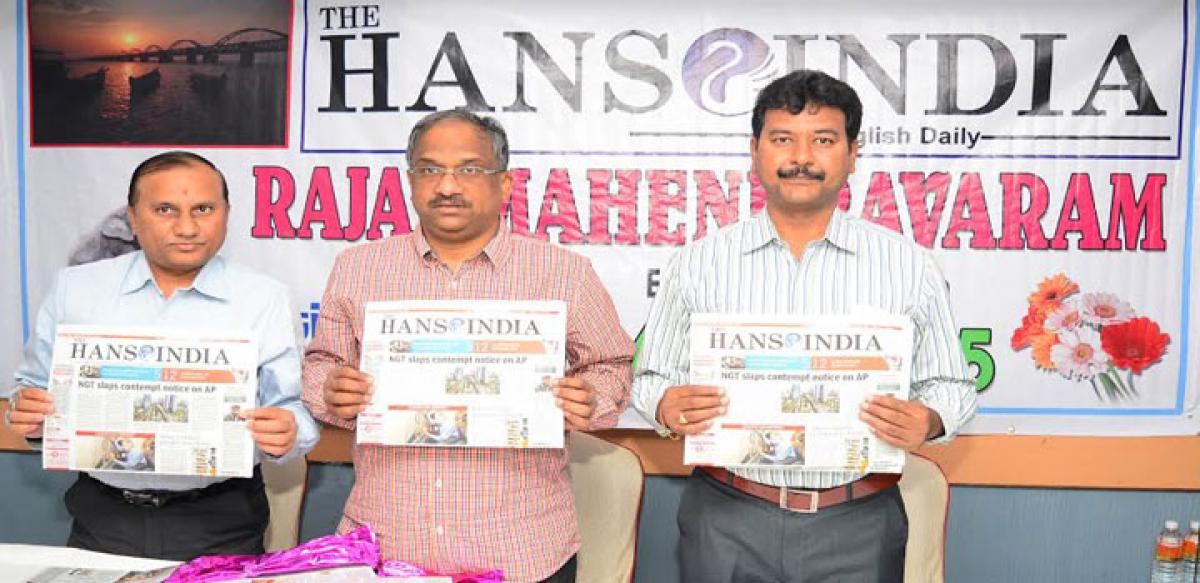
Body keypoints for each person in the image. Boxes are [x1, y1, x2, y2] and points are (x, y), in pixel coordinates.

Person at [632, 70, 978, 583]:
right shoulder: (699, 261)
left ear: (852, 153)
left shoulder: (908, 265)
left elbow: (952, 386)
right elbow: (649, 376)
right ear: (755, 151)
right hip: (727, 517)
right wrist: (664, 403)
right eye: (782, 139)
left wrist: (928, 419)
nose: (801, 157)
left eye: (823, 140)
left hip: (858, 520)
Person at [302, 110, 634, 583]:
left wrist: (592, 396)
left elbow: (611, 364)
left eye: (469, 169)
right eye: (430, 169)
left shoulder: (563, 272)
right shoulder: (358, 268)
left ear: (504, 184)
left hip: (522, 550)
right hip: (387, 546)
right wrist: (331, 391)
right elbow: (322, 365)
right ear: (410, 181)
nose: (447, 186)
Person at [5, 151, 320, 561]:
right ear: (133, 219)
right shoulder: (76, 289)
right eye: (165, 209)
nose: (187, 227)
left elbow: (293, 411)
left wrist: (288, 432)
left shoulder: (264, 298)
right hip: (103, 515)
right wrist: (28, 414)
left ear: (226, 213)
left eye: (203, 209)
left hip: (221, 519)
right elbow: (31, 389)